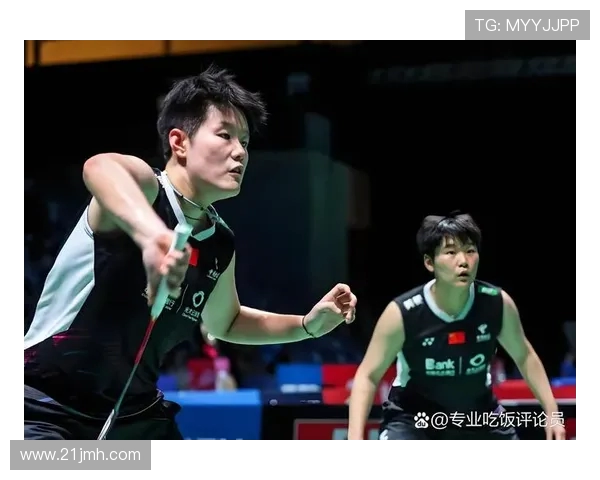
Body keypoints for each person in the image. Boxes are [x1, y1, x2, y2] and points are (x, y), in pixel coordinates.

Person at [24, 66, 357, 440]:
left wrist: (307, 325)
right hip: (44, 406)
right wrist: (153, 237)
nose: (240, 152)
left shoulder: (218, 242)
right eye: (225, 135)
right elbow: (100, 166)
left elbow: (226, 322)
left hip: (136, 416)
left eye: (245, 142)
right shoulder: (145, 190)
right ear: (179, 142)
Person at [347, 212, 565, 440]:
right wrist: (354, 440)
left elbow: (524, 356)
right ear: (429, 262)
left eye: (470, 251)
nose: (463, 261)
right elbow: (368, 375)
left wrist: (552, 413)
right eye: (451, 252)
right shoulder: (403, 313)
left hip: (479, 416)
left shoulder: (496, 303)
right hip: (414, 420)